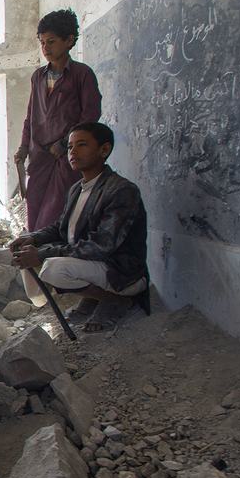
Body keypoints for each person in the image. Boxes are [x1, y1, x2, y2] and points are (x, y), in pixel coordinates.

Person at [10, 122, 147, 332]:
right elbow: (61, 228)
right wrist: (34, 239)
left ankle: (116, 300)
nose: (72, 151)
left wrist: (42, 253)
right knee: (31, 253)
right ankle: (93, 299)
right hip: (93, 264)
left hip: (120, 271)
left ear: (104, 149)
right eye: (70, 146)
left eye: (81, 145)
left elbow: (101, 246)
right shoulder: (77, 188)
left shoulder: (121, 190)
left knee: (53, 269)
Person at [17, 9, 102, 231]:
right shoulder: (38, 77)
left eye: (51, 42)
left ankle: (52, 261)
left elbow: (90, 116)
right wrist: (24, 147)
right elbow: (31, 116)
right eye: (42, 42)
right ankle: (35, 261)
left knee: (56, 213)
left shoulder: (82, 75)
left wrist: (65, 144)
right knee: (34, 211)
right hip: (39, 156)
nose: (45, 48)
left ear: (69, 40)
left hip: (65, 156)